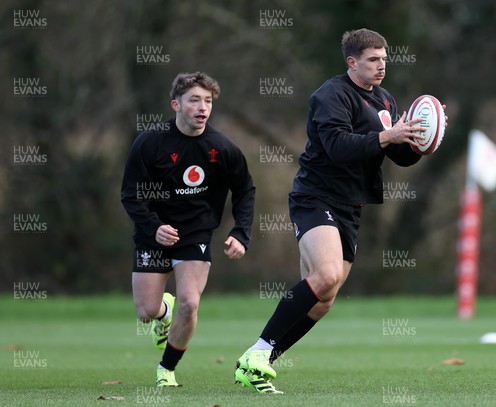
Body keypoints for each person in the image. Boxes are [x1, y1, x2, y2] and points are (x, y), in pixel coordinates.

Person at [234, 28, 445, 394]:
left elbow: (397, 154)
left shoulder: (384, 99)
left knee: (323, 301)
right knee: (327, 275)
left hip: (350, 206)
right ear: (352, 62)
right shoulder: (330, 96)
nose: (382, 66)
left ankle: (257, 362)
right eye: (373, 60)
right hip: (316, 197)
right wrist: (387, 136)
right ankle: (258, 351)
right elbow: (337, 146)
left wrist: (422, 138)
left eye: (384, 59)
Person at [121, 71, 255, 387]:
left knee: (190, 303)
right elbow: (130, 194)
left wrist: (240, 233)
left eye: (207, 101)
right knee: (146, 310)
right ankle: (163, 313)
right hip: (152, 236)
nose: (202, 107)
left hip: (195, 235)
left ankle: (166, 369)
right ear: (175, 104)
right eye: (194, 100)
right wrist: (153, 228)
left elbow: (245, 190)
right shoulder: (150, 142)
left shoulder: (222, 148)